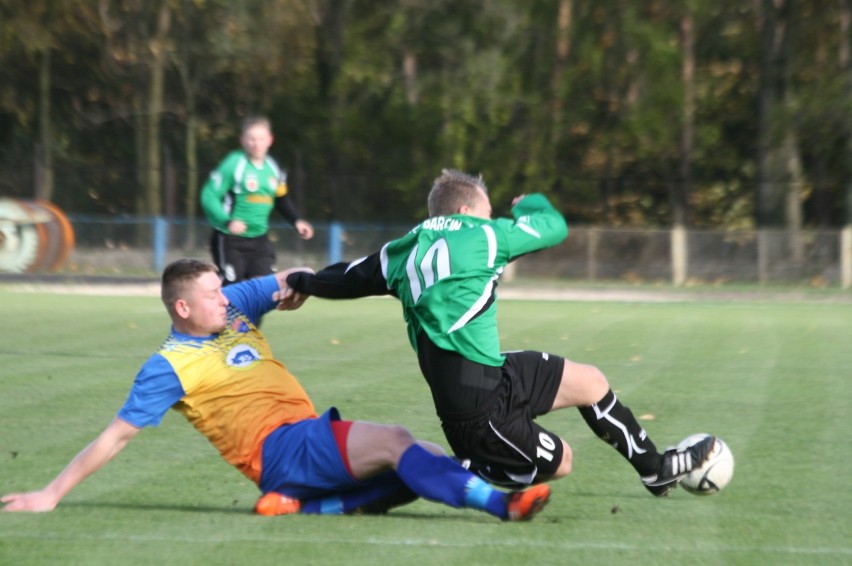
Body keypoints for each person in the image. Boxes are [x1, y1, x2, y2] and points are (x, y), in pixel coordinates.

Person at [1, 258, 550, 522]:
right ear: (182, 308)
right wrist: (51, 493)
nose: (226, 298)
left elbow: (292, 278)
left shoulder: (232, 307)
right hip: (277, 448)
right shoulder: (167, 365)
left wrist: (306, 285)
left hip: (302, 439)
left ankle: (313, 507)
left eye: (223, 288)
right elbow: (115, 437)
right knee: (397, 440)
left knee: (426, 459)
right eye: (214, 294)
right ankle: (504, 507)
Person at [283, 169, 716, 497]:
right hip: (476, 413)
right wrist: (530, 204)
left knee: (591, 382)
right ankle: (454, 469)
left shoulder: (404, 248)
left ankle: (654, 469)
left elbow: (348, 277)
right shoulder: (486, 235)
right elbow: (554, 227)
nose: (493, 219)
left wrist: (303, 282)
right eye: (489, 212)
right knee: (562, 461)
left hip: (492, 373)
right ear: (467, 211)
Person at [201, 116, 314, 286]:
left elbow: (280, 198)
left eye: (261, 139)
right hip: (230, 239)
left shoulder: (274, 167)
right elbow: (209, 196)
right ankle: (215, 311)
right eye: (251, 139)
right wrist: (227, 221)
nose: (256, 144)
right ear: (243, 140)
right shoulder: (234, 164)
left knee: (264, 289)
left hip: (260, 240)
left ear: (270, 140)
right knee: (233, 289)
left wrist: (296, 220)